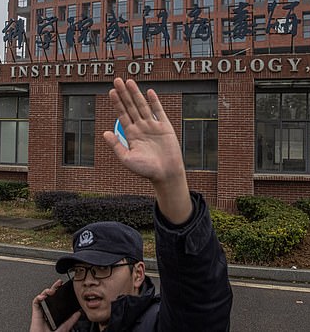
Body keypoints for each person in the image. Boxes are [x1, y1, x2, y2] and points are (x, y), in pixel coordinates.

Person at [30, 77, 233, 332]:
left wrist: (170, 184)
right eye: (80, 271)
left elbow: (199, 301)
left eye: (102, 269)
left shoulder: (160, 324)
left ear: (137, 274)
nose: (87, 282)